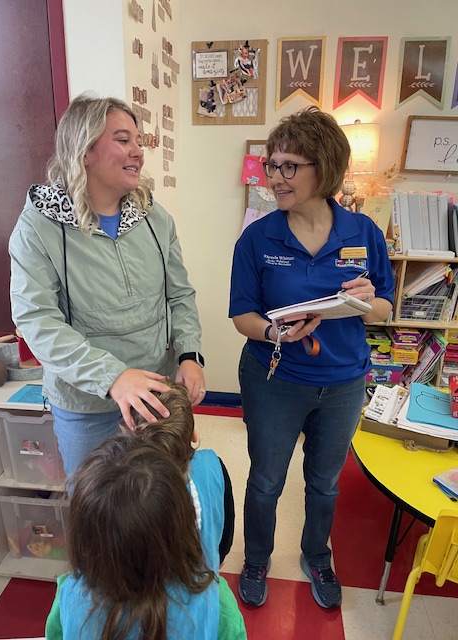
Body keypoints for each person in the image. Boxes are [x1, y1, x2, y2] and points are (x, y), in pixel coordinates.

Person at [228, 106, 394, 609]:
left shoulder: (363, 233)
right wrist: (277, 330)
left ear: (323, 168)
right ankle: (256, 558)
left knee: (324, 483)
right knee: (266, 479)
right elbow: (242, 316)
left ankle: (317, 556)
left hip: (343, 383)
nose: (275, 177)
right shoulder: (258, 237)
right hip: (275, 377)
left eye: (289, 167)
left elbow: (384, 307)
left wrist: (367, 301)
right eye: (271, 165)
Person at [9, 93, 206, 477]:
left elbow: (179, 294)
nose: (138, 152)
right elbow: (38, 321)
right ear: (84, 151)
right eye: (122, 139)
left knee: (159, 511)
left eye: (138, 140)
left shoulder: (155, 218)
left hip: (156, 400)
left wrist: (189, 355)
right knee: (98, 520)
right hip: (86, 409)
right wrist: (112, 377)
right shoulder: (38, 227)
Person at [45, 435, 218, 640]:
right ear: (181, 526)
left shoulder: (72, 596)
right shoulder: (210, 597)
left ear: (83, 537)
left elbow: (56, 634)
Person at [125, 379, 245, 639]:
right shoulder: (215, 467)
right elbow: (225, 533)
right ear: (193, 435)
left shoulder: (115, 484)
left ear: (128, 433)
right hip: (200, 589)